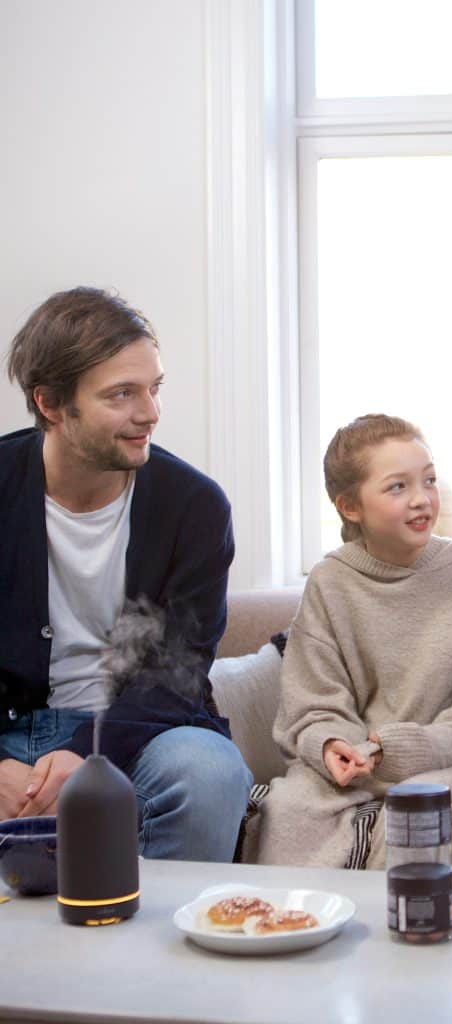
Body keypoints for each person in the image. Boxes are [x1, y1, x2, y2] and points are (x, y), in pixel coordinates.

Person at [0, 287, 251, 861]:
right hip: (8, 732)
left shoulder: (196, 506)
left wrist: (89, 752)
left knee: (210, 775)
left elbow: (177, 672)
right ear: (52, 405)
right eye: (122, 394)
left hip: (142, 728)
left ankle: (155, 949)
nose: (150, 413)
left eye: (154, 388)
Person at [251, 414, 452, 872]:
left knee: (420, 811)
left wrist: (403, 749)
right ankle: (303, 929)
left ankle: (407, 931)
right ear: (350, 506)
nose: (422, 499)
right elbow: (311, 704)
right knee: (290, 808)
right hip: (354, 766)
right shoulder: (329, 582)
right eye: (398, 487)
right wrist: (331, 744)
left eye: (429, 480)